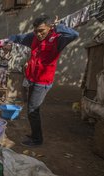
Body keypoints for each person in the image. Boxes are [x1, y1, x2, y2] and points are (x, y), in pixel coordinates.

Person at [8, 15, 79, 147]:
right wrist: (7, 40)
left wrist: (58, 27)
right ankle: (35, 134)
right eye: (36, 31)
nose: (39, 34)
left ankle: (37, 139)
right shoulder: (33, 37)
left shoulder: (58, 39)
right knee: (32, 109)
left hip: (43, 82)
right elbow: (19, 38)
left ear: (50, 27)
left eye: (42, 31)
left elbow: (74, 34)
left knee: (32, 110)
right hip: (32, 79)